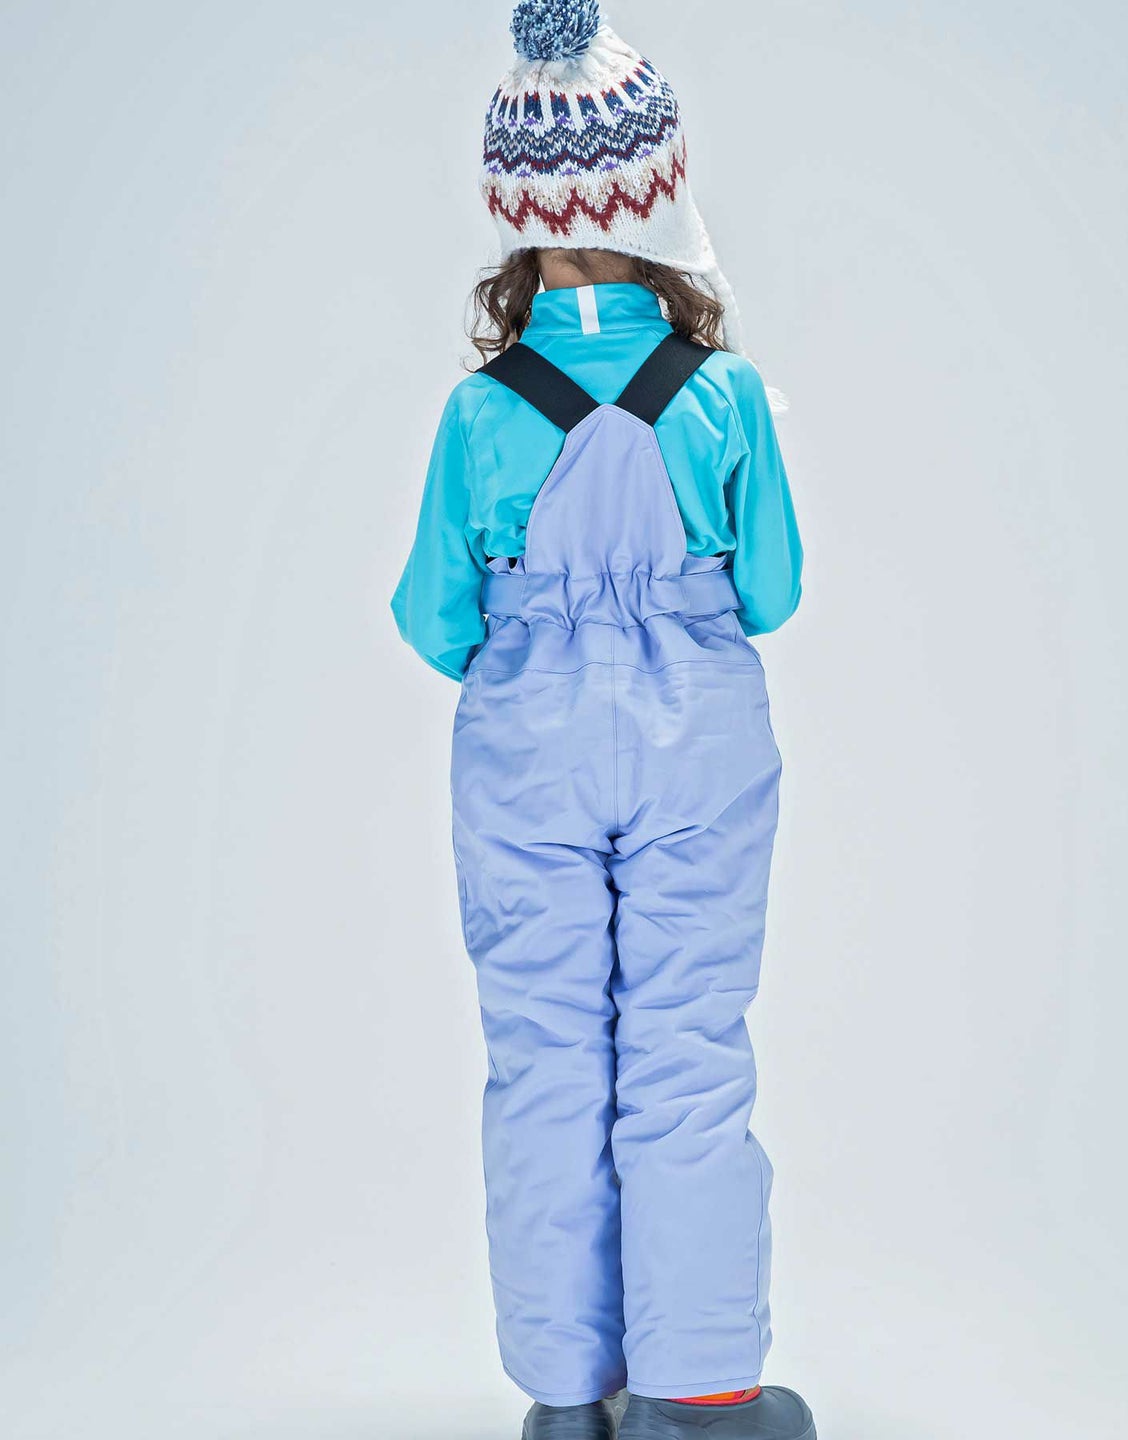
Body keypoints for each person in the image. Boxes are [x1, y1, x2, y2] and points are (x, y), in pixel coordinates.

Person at [392, 5, 816, 1438]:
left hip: (528, 743)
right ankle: (698, 1394)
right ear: (660, 200)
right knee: (686, 1046)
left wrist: (541, 645)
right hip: (699, 734)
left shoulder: (477, 412)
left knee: (544, 1056)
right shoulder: (724, 393)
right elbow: (774, 591)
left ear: (516, 220)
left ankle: (569, 1401)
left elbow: (433, 618)